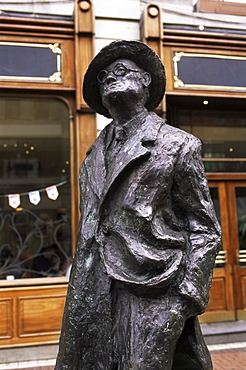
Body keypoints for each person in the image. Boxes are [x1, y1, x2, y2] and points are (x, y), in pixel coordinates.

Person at [56, 40, 221, 370]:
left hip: (153, 289)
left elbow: (205, 230)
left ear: (146, 81)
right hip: (91, 292)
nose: (109, 80)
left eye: (119, 71)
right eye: (103, 77)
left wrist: (184, 298)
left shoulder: (178, 145)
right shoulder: (91, 158)